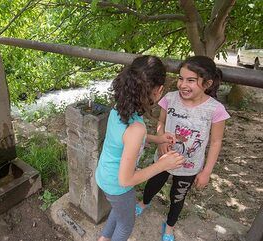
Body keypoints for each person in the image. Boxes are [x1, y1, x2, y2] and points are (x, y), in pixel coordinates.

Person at [138, 56, 230, 241]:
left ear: (207, 83)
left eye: (190, 80)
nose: (182, 84)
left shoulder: (215, 109)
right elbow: (161, 122)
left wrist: (206, 172)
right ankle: (144, 202)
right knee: (152, 185)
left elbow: (216, 142)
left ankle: (170, 226)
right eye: (181, 78)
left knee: (177, 197)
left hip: (189, 166)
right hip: (164, 158)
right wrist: (161, 140)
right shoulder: (170, 98)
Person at [95, 55, 185, 241]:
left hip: (104, 175)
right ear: (159, 90)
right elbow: (126, 179)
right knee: (126, 224)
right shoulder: (136, 127)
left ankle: (103, 238)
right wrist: (161, 165)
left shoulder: (120, 108)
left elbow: (126, 139)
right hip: (118, 185)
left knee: (119, 212)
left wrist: (158, 138)